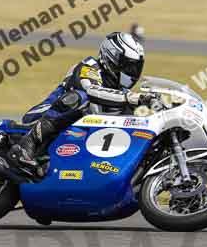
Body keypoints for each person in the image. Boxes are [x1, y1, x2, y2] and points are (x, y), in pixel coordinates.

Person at [9, 32, 154, 176]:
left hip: (75, 134)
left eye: (135, 67)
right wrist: (131, 97)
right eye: (128, 66)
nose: (131, 72)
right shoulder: (90, 66)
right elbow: (92, 91)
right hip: (42, 116)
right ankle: (27, 144)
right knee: (80, 97)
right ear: (112, 57)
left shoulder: (119, 90)